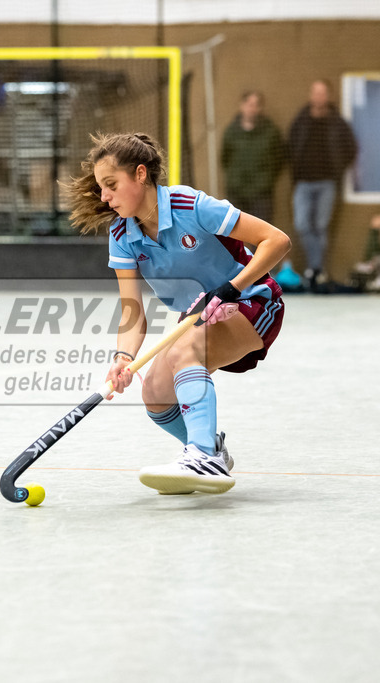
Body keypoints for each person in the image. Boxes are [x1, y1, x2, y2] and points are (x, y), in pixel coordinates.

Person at [64, 132, 291, 495]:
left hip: (254, 302)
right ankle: (208, 449)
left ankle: (203, 457)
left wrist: (231, 287)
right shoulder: (121, 233)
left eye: (110, 184)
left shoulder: (191, 206)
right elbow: (132, 312)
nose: (104, 197)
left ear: (140, 174)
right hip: (199, 318)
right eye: (100, 188)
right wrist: (123, 358)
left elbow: (276, 240)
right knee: (155, 393)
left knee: (188, 349)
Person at [288, 79, 357, 291]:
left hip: (327, 183)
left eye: (323, 93)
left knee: (320, 226)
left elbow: (351, 148)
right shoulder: (301, 120)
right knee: (302, 224)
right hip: (303, 183)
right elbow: (290, 145)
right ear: (311, 95)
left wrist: (337, 168)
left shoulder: (337, 122)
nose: (319, 97)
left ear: (328, 96)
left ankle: (315, 269)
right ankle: (316, 268)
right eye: (315, 92)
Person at [220, 90, 285, 224]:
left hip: (261, 192)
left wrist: (266, 179)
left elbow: (279, 158)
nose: (252, 108)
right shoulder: (232, 131)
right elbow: (224, 158)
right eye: (249, 104)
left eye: (256, 105)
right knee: (235, 233)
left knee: (262, 231)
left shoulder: (271, 131)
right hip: (237, 190)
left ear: (260, 108)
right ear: (242, 106)